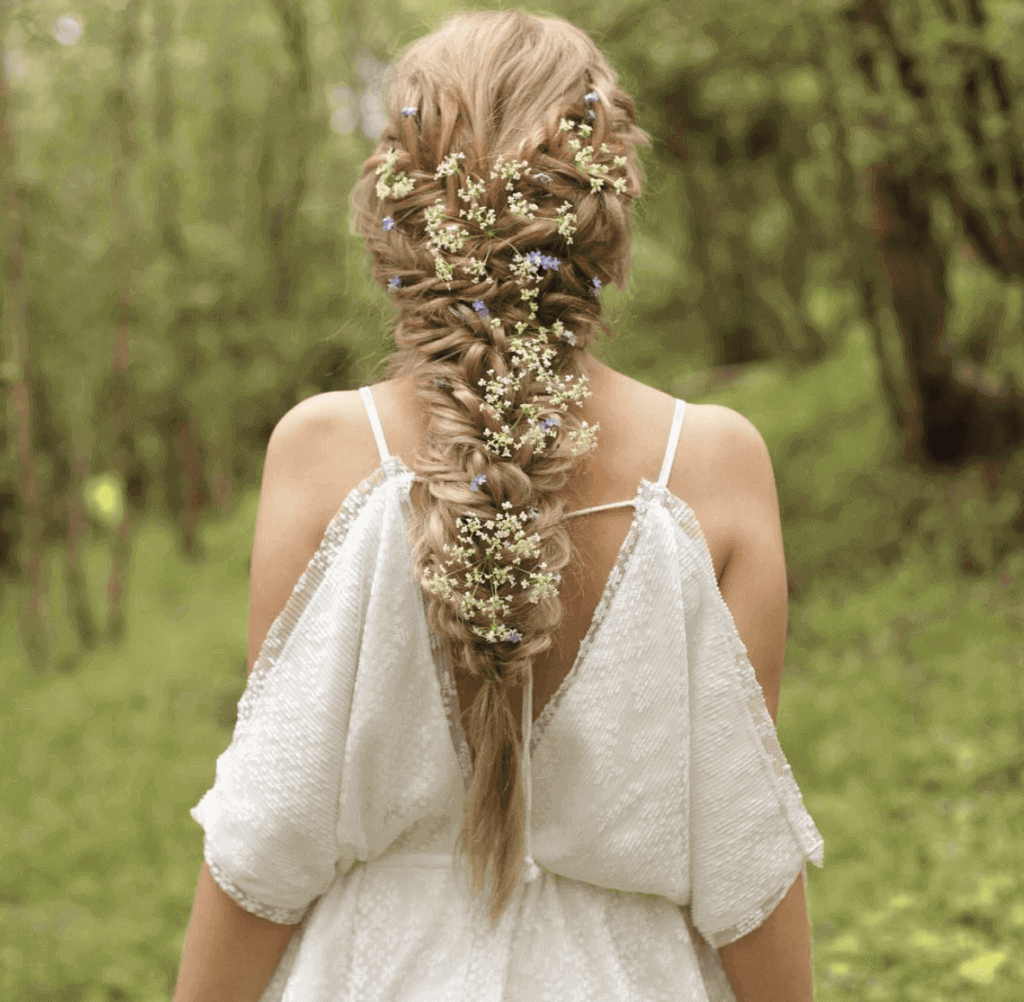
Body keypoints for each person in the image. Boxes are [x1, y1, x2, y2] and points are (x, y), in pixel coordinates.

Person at [173, 9, 824, 1001]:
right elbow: (744, 849)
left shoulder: (323, 451)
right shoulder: (715, 463)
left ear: (404, 199)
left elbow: (270, 835)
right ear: (603, 193)